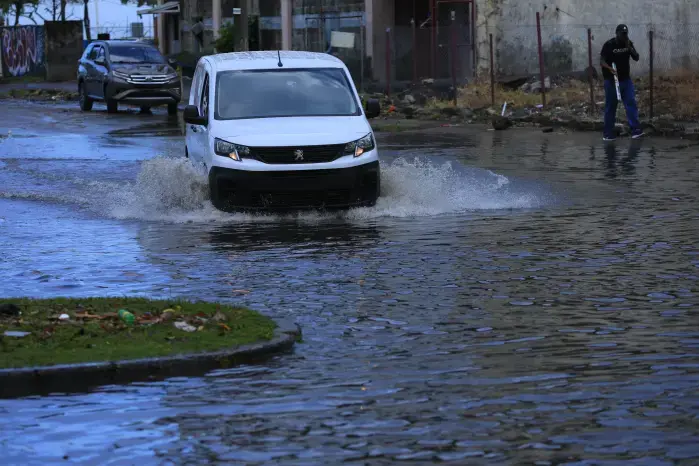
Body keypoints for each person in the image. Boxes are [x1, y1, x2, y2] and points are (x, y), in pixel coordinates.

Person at [600, 24, 644, 141]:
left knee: (631, 103)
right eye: (622, 34)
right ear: (617, 34)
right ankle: (608, 134)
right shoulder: (609, 45)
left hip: (625, 80)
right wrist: (609, 69)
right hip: (611, 81)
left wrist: (630, 48)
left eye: (625, 34)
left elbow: (636, 57)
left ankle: (636, 130)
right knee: (611, 106)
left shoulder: (628, 43)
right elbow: (602, 61)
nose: (624, 36)